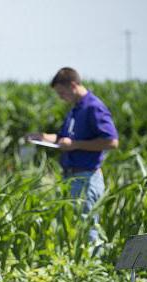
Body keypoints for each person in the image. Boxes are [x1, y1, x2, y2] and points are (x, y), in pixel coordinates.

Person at [28, 67, 119, 243]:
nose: (60, 97)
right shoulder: (75, 109)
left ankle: (93, 268)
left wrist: (76, 145)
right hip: (71, 177)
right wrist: (43, 137)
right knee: (75, 233)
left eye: (62, 92)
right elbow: (64, 138)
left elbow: (112, 142)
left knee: (89, 233)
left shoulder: (93, 107)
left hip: (86, 178)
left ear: (73, 85)